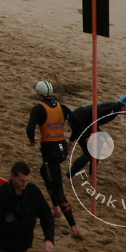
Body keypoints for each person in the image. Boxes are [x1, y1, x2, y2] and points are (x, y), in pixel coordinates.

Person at [25, 81, 78, 235]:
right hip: (62, 150)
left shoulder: (38, 109)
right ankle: (56, 208)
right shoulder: (62, 107)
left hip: (51, 152)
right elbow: (78, 123)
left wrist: (32, 141)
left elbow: (30, 128)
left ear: (39, 94)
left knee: (58, 189)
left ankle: (73, 226)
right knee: (44, 171)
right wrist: (72, 140)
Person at [0, 162, 55, 252]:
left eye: (27, 180)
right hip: (4, 245)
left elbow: (47, 216)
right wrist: (24, 223)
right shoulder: (0, 194)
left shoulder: (33, 191)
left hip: (23, 245)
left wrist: (49, 239)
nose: (24, 184)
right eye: (21, 181)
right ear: (12, 176)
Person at [66, 94, 126, 178]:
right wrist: (91, 133)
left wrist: (104, 136)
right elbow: (94, 117)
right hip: (80, 120)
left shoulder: (114, 109)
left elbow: (95, 121)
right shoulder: (111, 108)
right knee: (89, 152)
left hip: (83, 120)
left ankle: (92, 173)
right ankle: (68, 176)